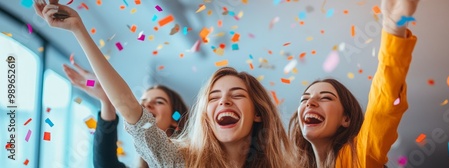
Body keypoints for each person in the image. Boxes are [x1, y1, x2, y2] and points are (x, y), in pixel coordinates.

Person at [35, 0, 294, 167]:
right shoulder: (181, 162)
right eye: (213, 98)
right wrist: (79, 28)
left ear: (258, 113)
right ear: (206, 116)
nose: (223, 101)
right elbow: (129, 109)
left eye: (236, 95)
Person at [288, 0, 420, 167]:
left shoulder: (359, 156)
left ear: (346, 119)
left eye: (326, 98)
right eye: (304, 100)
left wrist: (394, 27)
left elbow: (382, 106)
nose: (309, 103)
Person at [62, 63, 189, 168]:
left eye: (159, 102)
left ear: (175, 118)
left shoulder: (189, 161)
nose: (147, 105)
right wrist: (106, 100)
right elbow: (105, 163)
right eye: (142, 102)